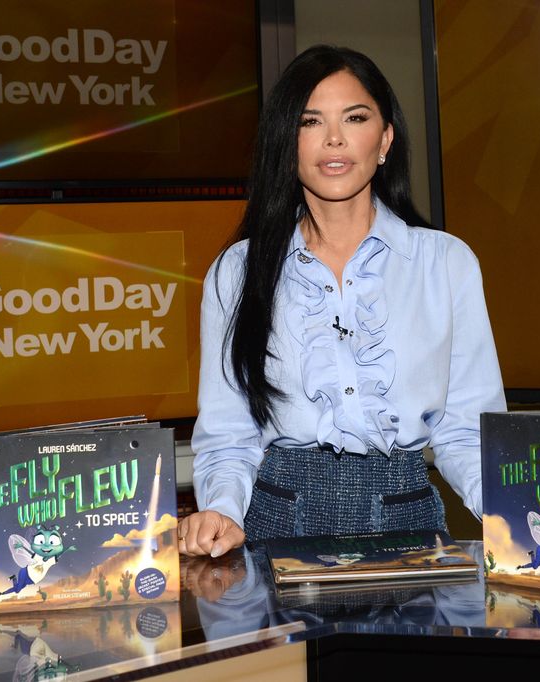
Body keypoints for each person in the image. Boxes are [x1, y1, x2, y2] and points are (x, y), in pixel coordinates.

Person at [178, 44, 506, 558]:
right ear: (287, 144)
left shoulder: (447, 262)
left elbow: (466, 431)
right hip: (274, 524)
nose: (334, 138)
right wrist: (221, 507)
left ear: (385, 139)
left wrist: (520, 516)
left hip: (412, 521)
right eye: (310, 121)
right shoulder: (237, 271)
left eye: (355, 118)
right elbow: (228, 434)